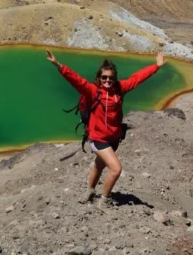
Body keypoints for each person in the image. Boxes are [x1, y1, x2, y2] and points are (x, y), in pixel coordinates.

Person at [47, 49, 165, 207]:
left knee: (99, 165)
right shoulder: (93, 91)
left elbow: (137, 78)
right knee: (116, 169)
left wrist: (156, 66)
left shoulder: (120, 89)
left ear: (115, 78)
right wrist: (59, 65)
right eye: (104, 77)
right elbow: (76, 80)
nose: (107, 80)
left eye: (110, 77)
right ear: (99, 78)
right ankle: (105, 200)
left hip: (114, 139)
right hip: (98, 138)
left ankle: (89, 191)